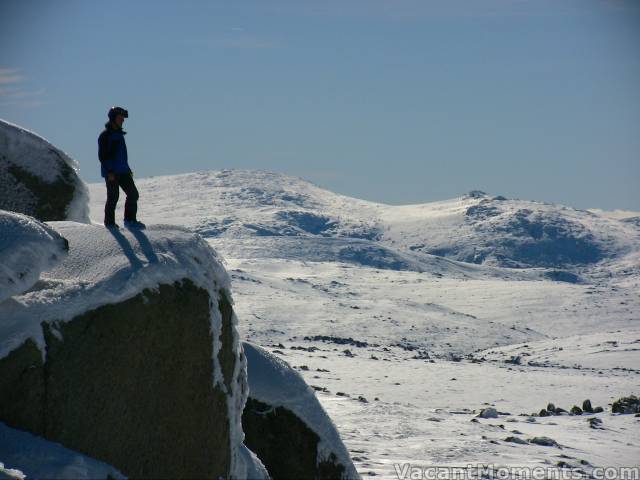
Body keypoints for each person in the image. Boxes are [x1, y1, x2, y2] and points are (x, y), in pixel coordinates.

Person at [98, 106, 145, 229]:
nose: (123, 120)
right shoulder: (105, 136)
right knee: (113, 197)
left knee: (133, 194)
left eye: (123, 118)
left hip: (123, 171)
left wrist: (128, 169)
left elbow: (122, 156)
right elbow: (103, 156)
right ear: (113, 118)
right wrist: (109, 171)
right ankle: (109, 223)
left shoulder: (119, 135)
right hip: (112, 173)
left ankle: (130, 221)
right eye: (121, 118)